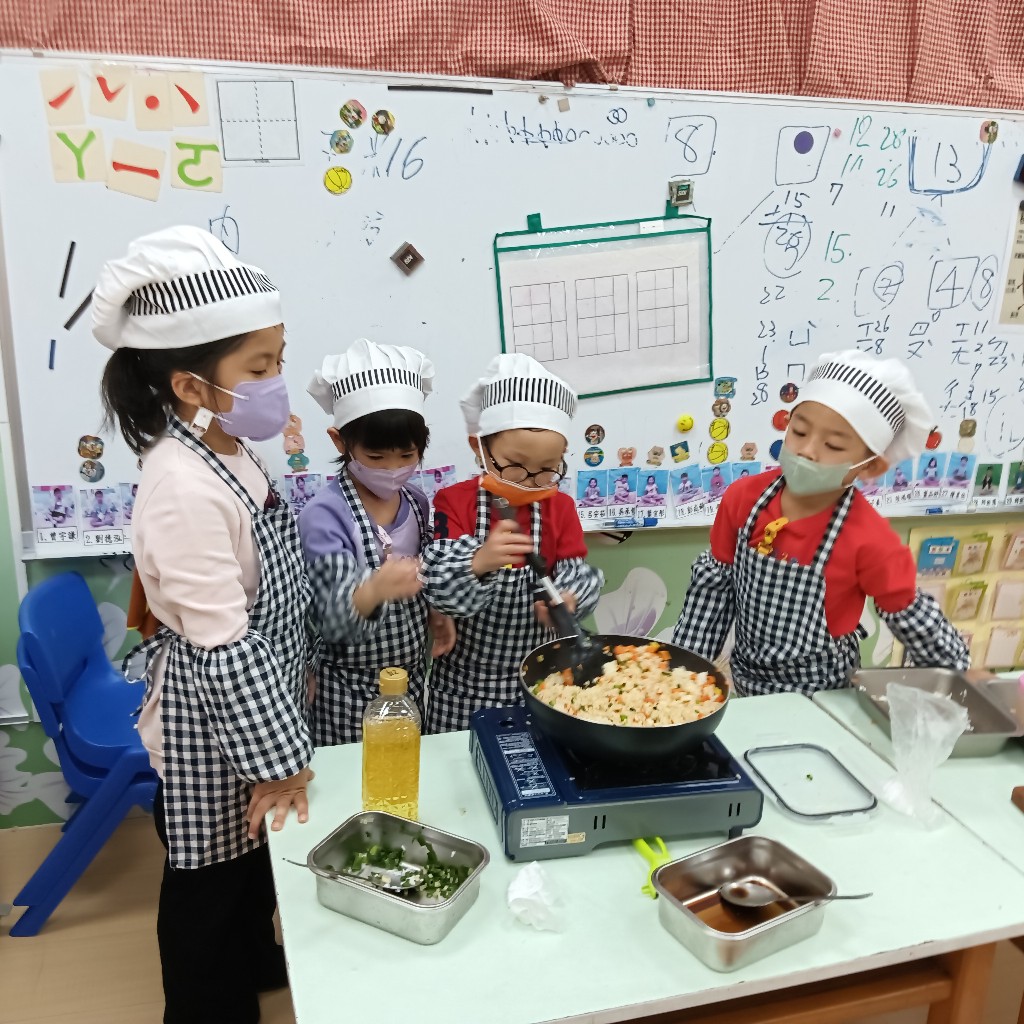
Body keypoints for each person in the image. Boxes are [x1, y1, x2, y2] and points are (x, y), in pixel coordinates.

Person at [94, 225, 314, 1024]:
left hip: (254, 703)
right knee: (207, 885)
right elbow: (223, 645)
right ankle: (206, 1006)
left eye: (278, 359)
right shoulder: (181, 487)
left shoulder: (233, 449)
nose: (275, 381)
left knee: (250, 862)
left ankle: (256, 961)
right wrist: (280, 766)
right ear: (191, 385)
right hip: (213, 718)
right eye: (259, 368)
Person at [673, 349, 970, 696]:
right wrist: (684, 676)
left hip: (824, 690)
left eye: (832, 445)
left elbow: (914, 620)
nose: (807, 450)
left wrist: (956, 683)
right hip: (746, 676)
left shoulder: (871, 541)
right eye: (799, 431)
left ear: (870, 466)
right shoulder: (743, 499)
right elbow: (713, 592)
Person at [422, 354, 604, 732]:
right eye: (516, 465)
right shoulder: (454, 502)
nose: (530, 480)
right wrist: (478, 562)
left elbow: (579, 574)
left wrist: (569, 600)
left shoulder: (560, 508)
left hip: (543, 676)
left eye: (547, 469)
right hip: (464, 685)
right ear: (480, 448)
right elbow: (439, 590)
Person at [300, 339, 455, 744]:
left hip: (409, 681)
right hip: (348, 693)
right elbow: (330, 620)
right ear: (340, 442)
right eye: (376, 457)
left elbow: (424, 577)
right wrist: (374, 589)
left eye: (407, 456)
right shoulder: (325, 515)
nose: (393, 469)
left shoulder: (417, 502)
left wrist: (436, 613)